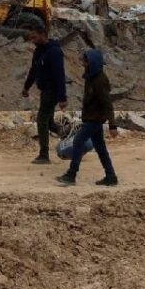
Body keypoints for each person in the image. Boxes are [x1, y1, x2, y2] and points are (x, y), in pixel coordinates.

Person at [58, 49, 118, 186]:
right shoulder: (91, 77)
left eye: (85, 61)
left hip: (95, 120)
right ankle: (111, 176)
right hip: (92, 118)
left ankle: (71, 175)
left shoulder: (100, 81)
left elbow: (107, 104)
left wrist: (112, 125)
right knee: (101, 148)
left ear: (92, 63)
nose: (83, 64)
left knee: (78, 141)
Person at [21, 18, 67, 164]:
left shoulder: (54, 51)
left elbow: (59, 75)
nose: (32, 40)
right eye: (31, 38)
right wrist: (26, 87)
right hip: (45, 91)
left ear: (43, 34)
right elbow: (33, 70)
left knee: (42, 119)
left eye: (34, 37)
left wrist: (62, 98)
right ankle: (72, 138)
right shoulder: (38, 51)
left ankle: (44, 155)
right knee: (49, 122)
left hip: (52, 91)